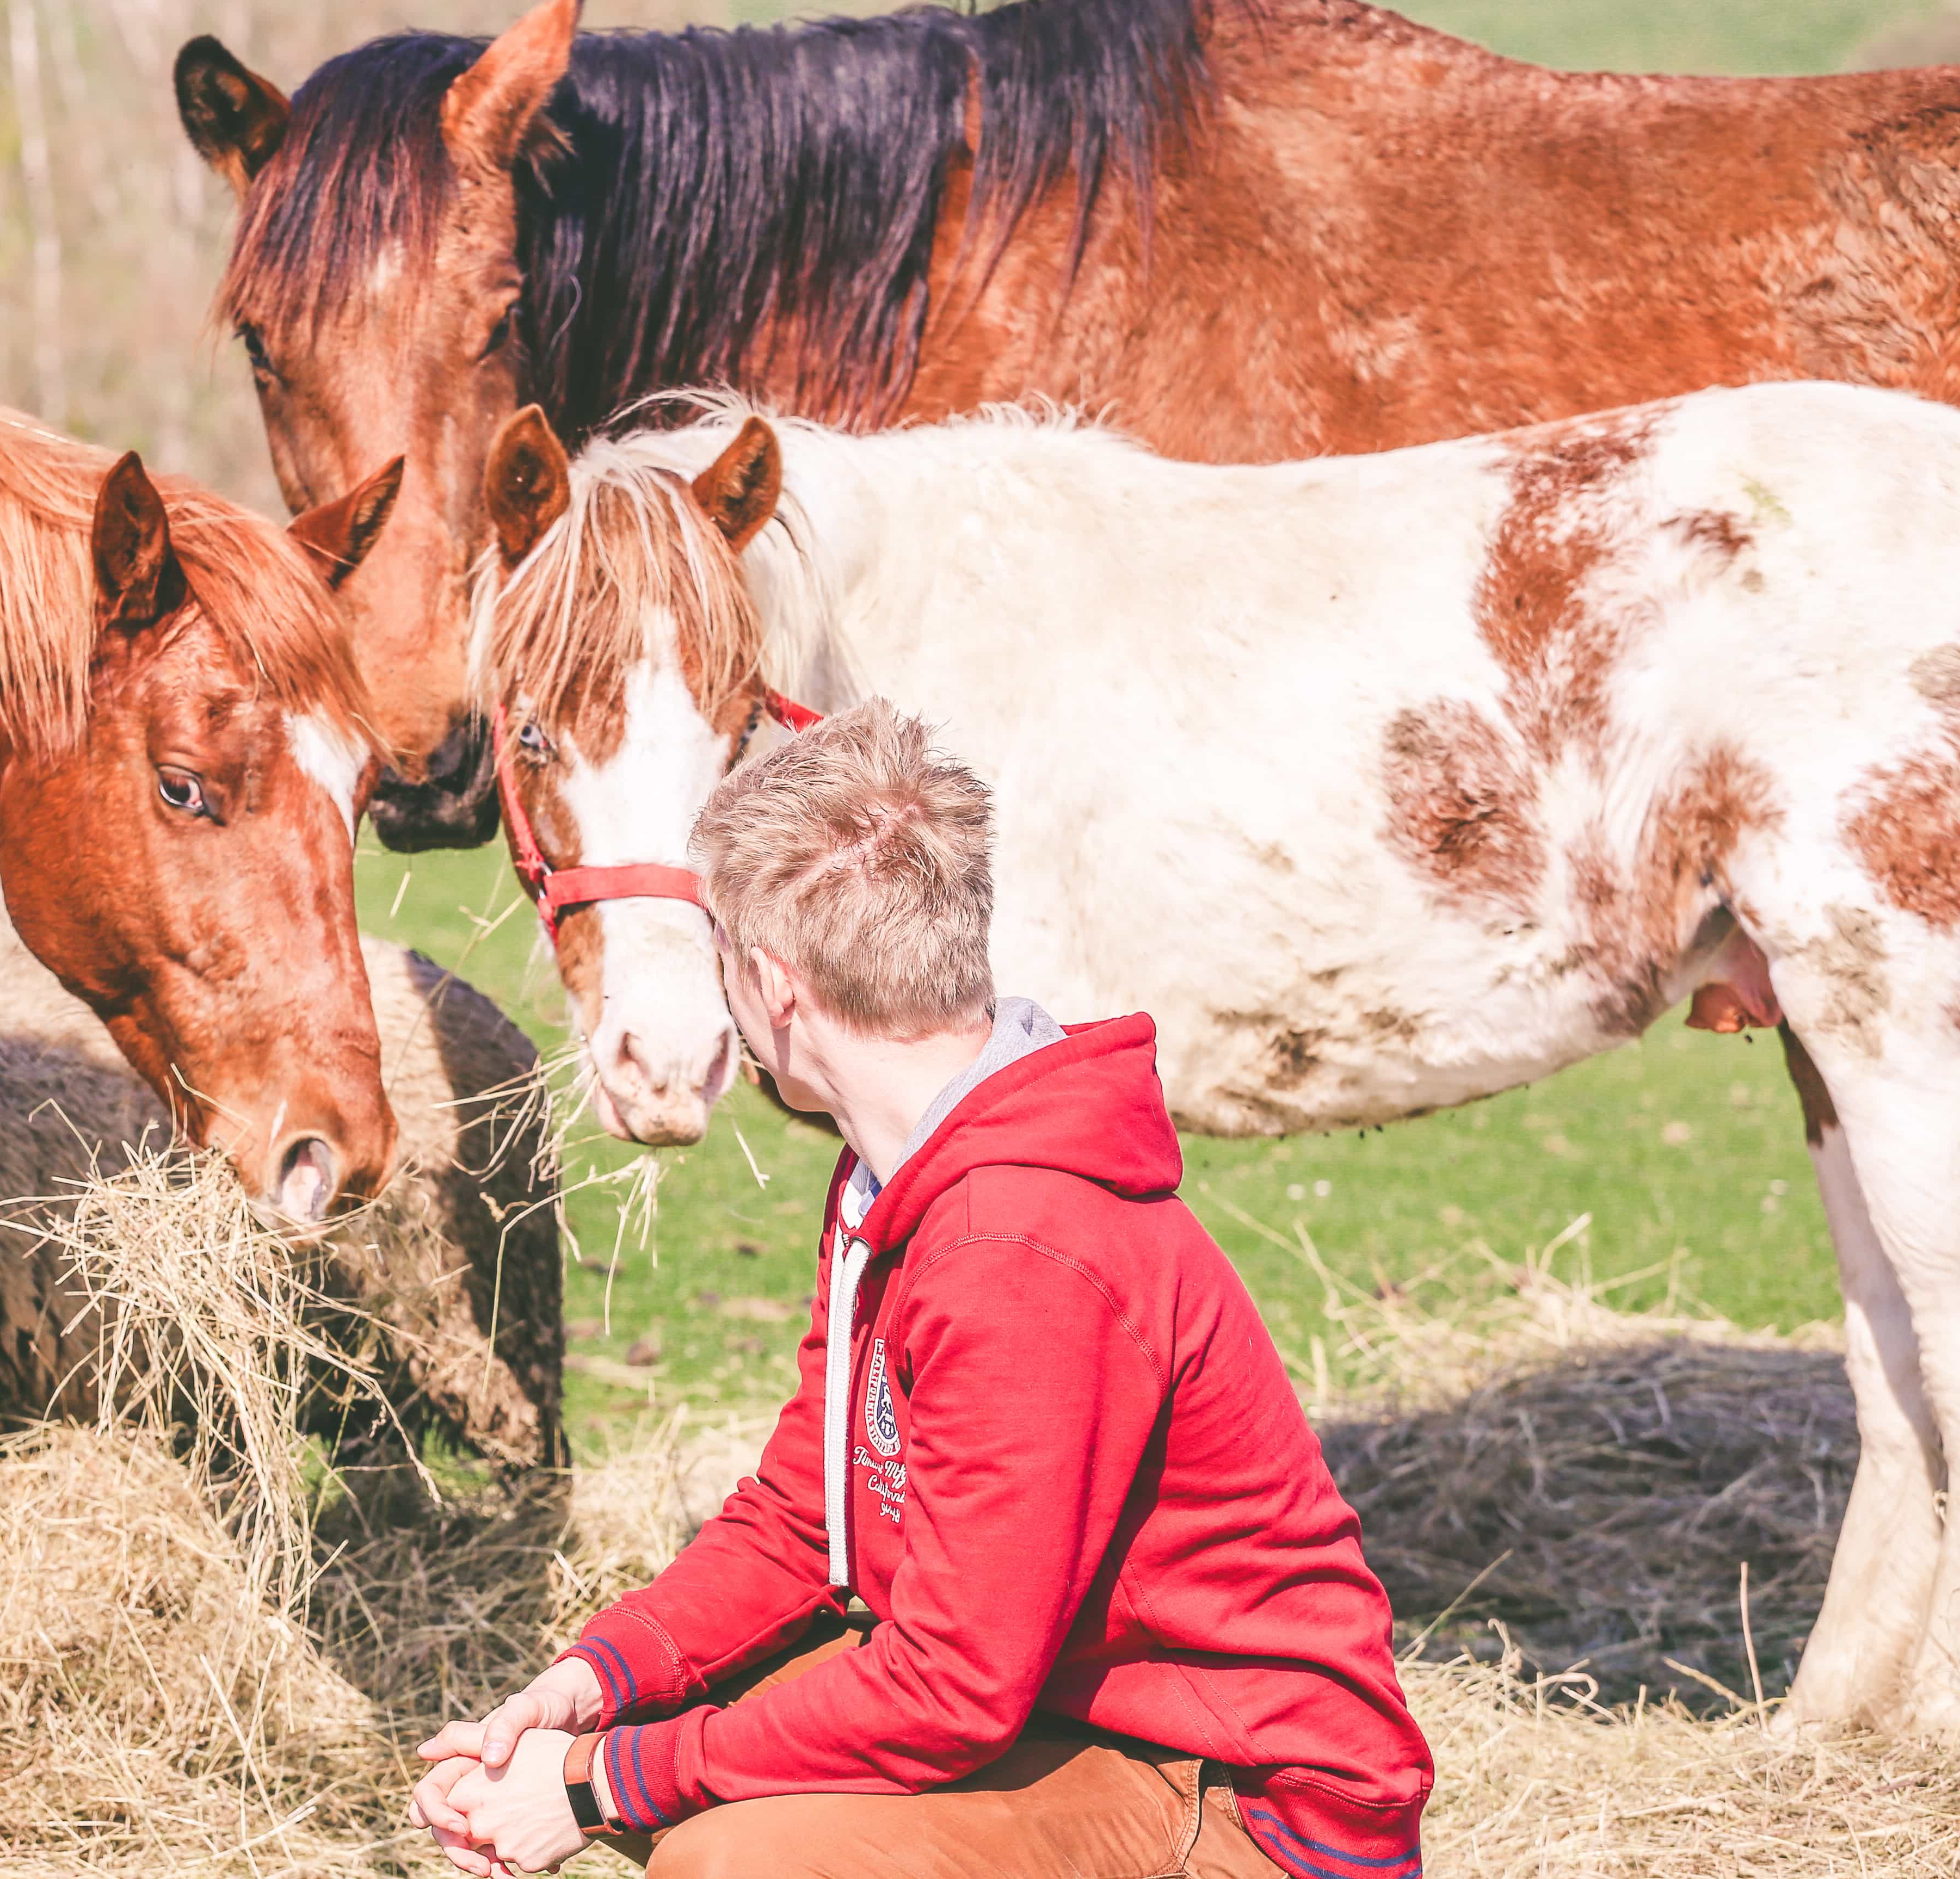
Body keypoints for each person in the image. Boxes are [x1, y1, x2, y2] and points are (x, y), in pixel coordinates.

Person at [408, 700, 1432, 1878]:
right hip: (1072, 1714)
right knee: (665, 1751)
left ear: (775, 986)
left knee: (730, 1862)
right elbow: (805, 1517)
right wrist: (592, 1687)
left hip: (1249, 1800)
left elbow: (951, 1687)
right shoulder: (893, 1175)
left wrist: (597, 1791)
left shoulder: (1019, 1249)